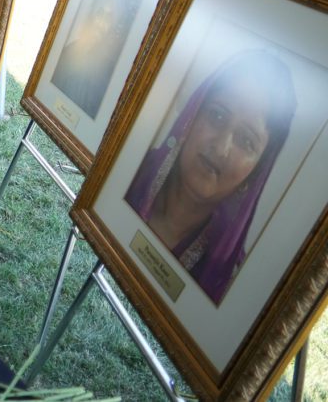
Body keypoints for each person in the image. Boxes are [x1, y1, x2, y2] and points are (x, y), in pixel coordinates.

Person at [124, 49, 297, 305]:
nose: (221, 147)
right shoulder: (126, 172)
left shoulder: (227, 279)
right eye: (217, 115)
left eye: (246, 140)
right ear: (192, 116)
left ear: (256, 172)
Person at [50, 0, 143, 118]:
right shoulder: (72, 49)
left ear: (118, 28)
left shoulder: (109, 79)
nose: (99, 21)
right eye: (101, 13)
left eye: (109, 17)